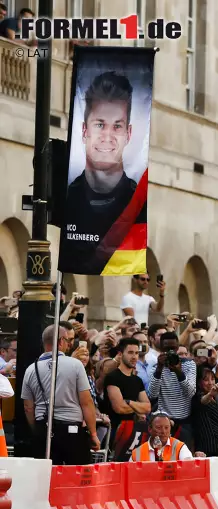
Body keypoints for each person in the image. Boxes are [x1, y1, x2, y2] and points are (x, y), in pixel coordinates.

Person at [62, 71, 146, 275]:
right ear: (84, 131)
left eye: (117, 126)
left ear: (128, 134)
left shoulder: (139, 205)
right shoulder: (67, 199)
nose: (107, 137)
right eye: (100, 124)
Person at [20, 324, 100, 463]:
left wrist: (38, 430)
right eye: (68, 341)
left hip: (43, 430)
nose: (69, 345)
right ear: (61, 341)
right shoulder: (75, 365)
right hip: (71, 431)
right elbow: (86, 402)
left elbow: (28, 407)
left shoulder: (31, 369)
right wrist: (93, 434)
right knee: (75, 477)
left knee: (46, 477)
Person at [103, 337, 153, 460]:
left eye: (136, 353)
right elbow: (119, 408)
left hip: (135, 432)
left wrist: (129, 402)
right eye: (130, 353)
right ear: (120, 354)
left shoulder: (137, 380)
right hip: (115, 432)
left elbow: (147, 407)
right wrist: (137, 409)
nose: (135, 357)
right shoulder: (112, 377)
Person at [130, 412, 194, 461]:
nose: (163, 431)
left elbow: (189, 470)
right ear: (150, 429)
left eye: (166, 427)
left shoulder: (180, 447)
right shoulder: (137, 453)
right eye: (159, 427)